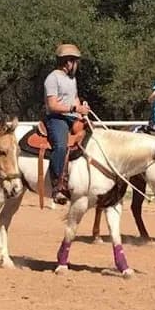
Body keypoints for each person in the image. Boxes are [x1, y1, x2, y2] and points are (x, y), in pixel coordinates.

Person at [44, 43, 90, 205]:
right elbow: (52, 105)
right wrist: (74, 108)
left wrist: (82, 110)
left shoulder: (72, 79)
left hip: (72, 117)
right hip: (57, 118)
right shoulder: (52, 78)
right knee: (61, 146)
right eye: (75, 61)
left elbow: (74, 98)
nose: (76, 65)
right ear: (67, 62)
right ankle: (57, 185)